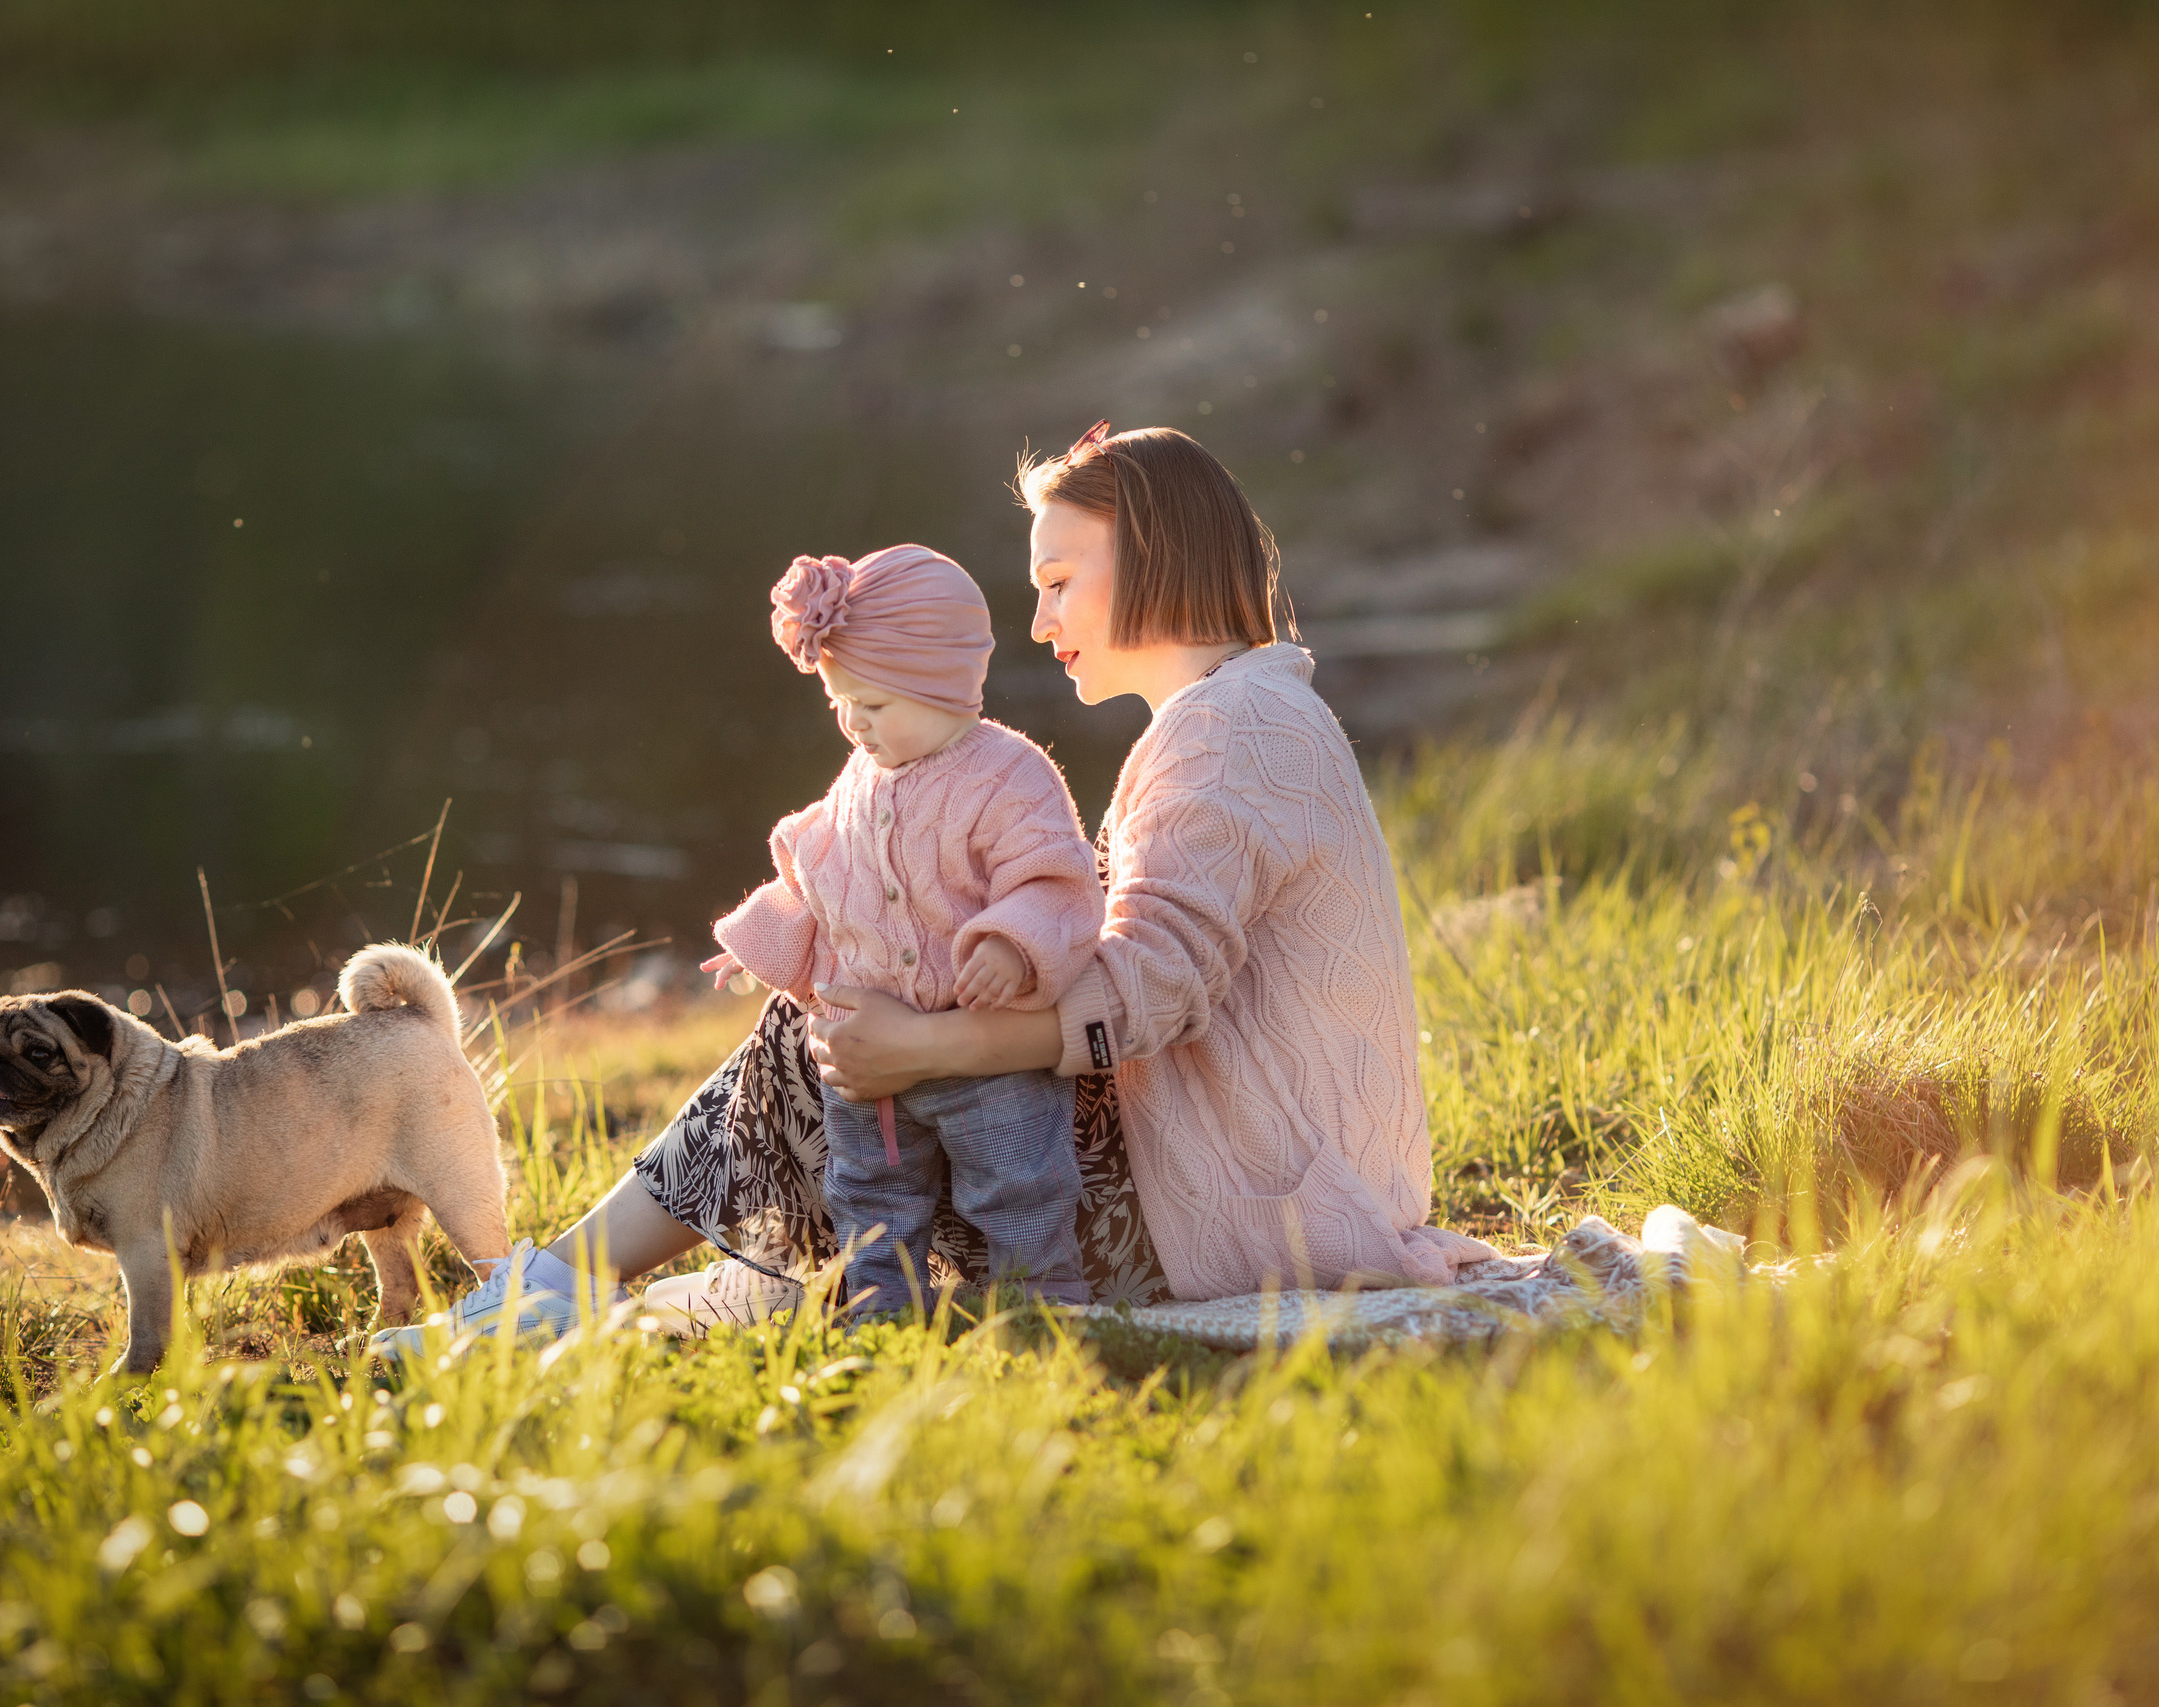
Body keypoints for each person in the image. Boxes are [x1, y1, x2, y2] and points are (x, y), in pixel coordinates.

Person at [371, 421, 1497, 1356]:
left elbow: (1154, 989)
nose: (1042, 621)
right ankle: (573, 1282)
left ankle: (549, 1289)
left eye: (1059, 583)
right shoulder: (1239, 712)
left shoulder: (1228, 735)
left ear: (1152, 558)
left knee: (837, 1021)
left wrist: (927, 1046)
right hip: (1255, 1169)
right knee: (855, 993)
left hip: (1241, 1210)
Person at [704, 544, 1102, 1317]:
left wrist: (1008, 943)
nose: (854, 723)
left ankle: (1041, 1300)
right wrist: (761, 938)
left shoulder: (1007, 776)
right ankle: (884, 1305)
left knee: (1019, 1180)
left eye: (873, 704)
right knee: (869, 1192)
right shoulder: (859, 778)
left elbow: (1053, 878)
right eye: (840, 703)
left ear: (942, 684)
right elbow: (817, 870)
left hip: (987, 1057)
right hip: (870, 1070)